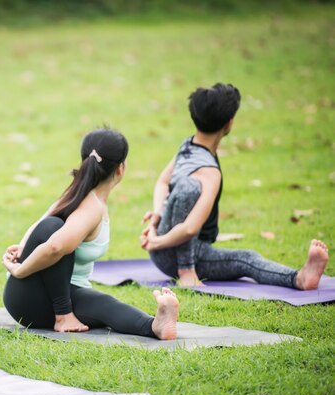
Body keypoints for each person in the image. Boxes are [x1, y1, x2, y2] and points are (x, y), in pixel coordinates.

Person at [140, 83, 329, 288]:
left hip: (165, 243)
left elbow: (162, 181)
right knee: (245, 258)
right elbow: (190, 228)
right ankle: (299, 279)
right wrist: (157, 235)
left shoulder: (187, 145)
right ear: (229, 124)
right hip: (177, 253)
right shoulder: (209, 173)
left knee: (188, 188)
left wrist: (157, 222)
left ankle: (185, 267)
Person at [2, 128, 179, 339]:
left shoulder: (79, 190)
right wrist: (20, 268)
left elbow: (42, 222)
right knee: (54, 229)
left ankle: (155, 326)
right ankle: (63, 315)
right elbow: (54, 243)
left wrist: (24, 247)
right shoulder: (90, 207)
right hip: (31, 298)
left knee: (104, 304)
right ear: (121, 168)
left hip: (60, 291)